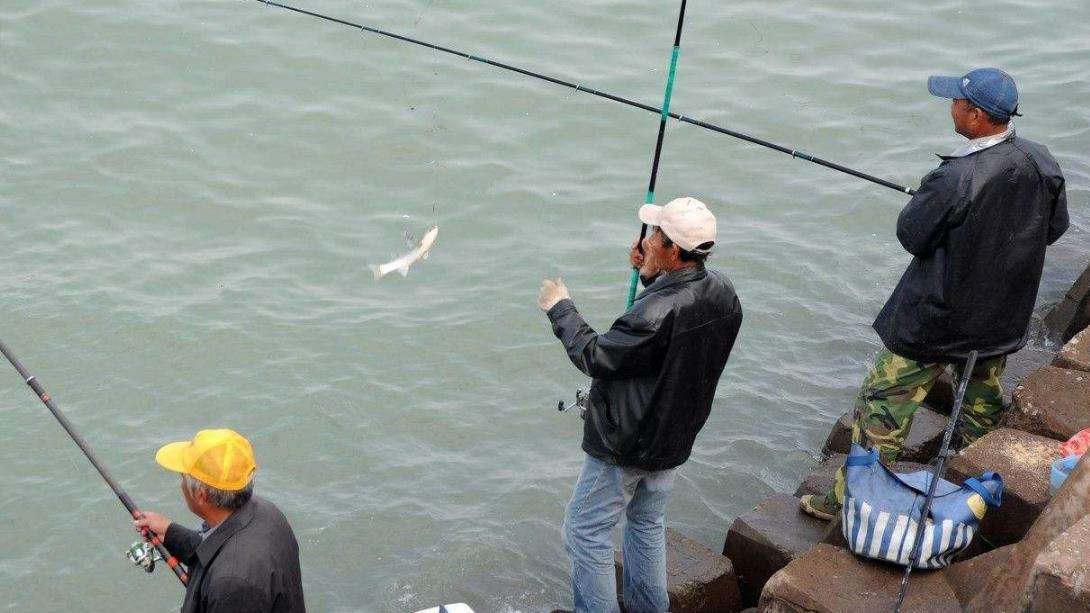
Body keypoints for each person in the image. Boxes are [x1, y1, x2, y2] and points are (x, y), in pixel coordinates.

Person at [800, 68, 1069, 521]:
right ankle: (973, 482)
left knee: (881, 405)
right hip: (998, 321)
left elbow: (912, 234)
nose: (951, 108)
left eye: (957, 103)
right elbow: (1054, 228)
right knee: (981, 400)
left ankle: (850, 501)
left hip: (934, 323)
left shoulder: (956, 176)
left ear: (976, 115)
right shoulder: (1041, 161)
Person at [539, 197, 743, 612]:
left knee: (584, 532)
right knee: (647, 524)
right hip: (674, 439)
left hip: (626, 445)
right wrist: (652, 278)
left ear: (674, 250)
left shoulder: (654, 313)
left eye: (656, 235)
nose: (647, 240)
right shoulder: (724, 293)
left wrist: (561, 307)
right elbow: (671, 340)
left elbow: (596, 356)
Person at [133, 429, 306, 612]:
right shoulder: (267, 513)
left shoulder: (232, 584)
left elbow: (230, 574)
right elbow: (220, 548)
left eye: (183, 477)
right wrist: (170, 533)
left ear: (201, 495)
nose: (181, 484)